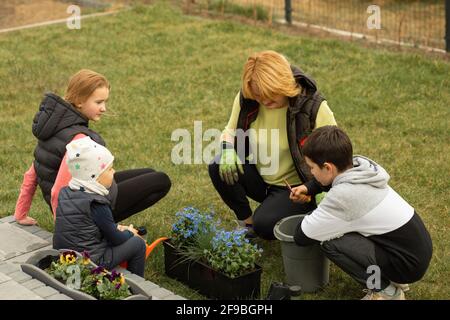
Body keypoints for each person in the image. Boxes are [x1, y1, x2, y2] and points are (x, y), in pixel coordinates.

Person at [290, 126, 433, 300]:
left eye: (312, 167)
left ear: (328, 167)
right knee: (346, 227)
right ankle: (393, 278)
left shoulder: (344, 197)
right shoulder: (361, 169)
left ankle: (386, 291)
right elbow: (328, 181)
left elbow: (302, 236)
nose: (311, 172)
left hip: (406, 265)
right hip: (415, 251)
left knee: (329, 242)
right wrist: (309, 188)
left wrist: (317, 215)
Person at [13, 69, 171, 225]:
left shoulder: (53, 128)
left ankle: (104, 225)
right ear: (80, 101)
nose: (104, 108)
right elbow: (58, 189)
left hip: (84, 195)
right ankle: (102, 226)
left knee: (149, 173)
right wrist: (66, 229)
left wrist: (20, 214)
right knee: (161, 181)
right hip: (84, 211)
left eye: (105, 102)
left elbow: (31, 176)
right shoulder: (77, 139)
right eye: (98, 102)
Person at [208, 50, 337, 239]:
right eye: (259, 97)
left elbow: (336, 152)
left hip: (298, 189)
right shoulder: (249, 98)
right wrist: (227, 149)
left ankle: (308, 214)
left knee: (266, 226)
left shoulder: (312, 106)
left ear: (283, 84)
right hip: (262, 180)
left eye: (270, 95)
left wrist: (317, 189)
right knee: (218, 165)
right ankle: (247, 224)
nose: (264, 101)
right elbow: (230, 130)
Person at [53, 137, 146, 276]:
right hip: (89, 262)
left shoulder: (66, 192)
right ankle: (136, 283)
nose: (114, 172)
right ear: (94, 177)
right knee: (137, 244)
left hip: (64, 257)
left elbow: (85, 227)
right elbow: (116, 239)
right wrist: (129, 233)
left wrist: (116, 228)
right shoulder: (96, 202)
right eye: (109, 169)